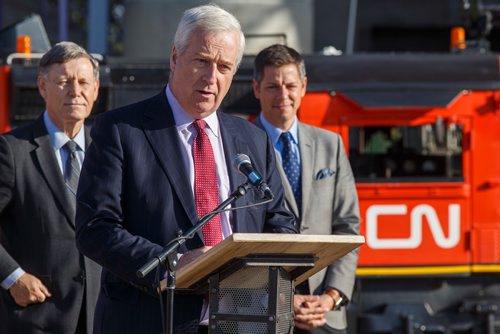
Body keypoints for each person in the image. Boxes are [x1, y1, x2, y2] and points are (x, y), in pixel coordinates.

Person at [75, 4, 297, 334]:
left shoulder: (253, 139)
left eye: (224, 67)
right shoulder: (121, 130)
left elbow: (281, 222)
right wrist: (174, 264)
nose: (211, 78)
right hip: (151, 319)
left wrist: (248, 270)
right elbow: (95, 228)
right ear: (175, 58)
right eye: (202, 62)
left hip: (241, 322)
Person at [252, 44, 360, 334]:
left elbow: (348, 227)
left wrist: (331, 297)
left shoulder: (330, 145)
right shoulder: (238, 148)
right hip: (264, 314)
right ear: (256, 89)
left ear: (303, 87)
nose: (283, 95)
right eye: (272, 86)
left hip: (324, 316)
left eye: (290, 85)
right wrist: (281, 300)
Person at [0, 41, 101, 334]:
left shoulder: (107, 151)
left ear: (95, 90)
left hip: (99, 315)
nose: (75, 90)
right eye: (63, 81)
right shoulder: (12, 150)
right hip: (35, 317)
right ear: (42, 86)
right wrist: (12, 277)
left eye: (84, 82)